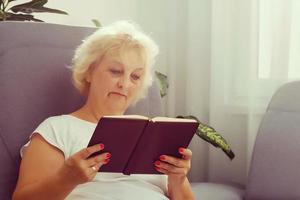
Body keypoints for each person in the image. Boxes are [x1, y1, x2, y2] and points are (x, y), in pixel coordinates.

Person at [12, 20, 195, 200]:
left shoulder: (154, 136)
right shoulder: (57, 128)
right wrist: (66, 179)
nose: (124, 84)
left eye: (135, 76)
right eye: (116, 71)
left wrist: (178, 179)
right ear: (89, 72)